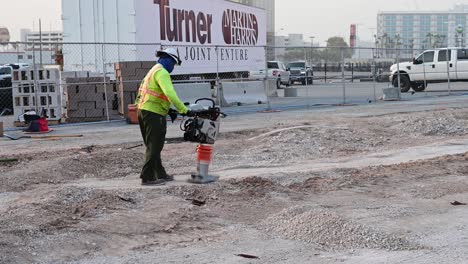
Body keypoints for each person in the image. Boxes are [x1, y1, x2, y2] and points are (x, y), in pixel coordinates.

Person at [135, 48, 194, 186]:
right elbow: (170, 93)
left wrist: (169, 111)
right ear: (168, 60)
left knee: (152, 145)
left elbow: (150, 95)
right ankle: (147, 177)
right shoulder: (162, 73)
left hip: (143, 111)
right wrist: (183, 110)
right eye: (173, 64)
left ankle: (159, 173)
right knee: (155, 145)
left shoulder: (152, 71)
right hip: (153, 114)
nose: (173, 67)